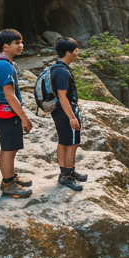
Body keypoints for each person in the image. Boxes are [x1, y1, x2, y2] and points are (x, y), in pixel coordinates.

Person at [0, 29, 34, 199]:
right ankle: (8, 184)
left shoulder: (3, 63)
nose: (21, 46)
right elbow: (9, 95)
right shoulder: (4, 65)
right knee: (9, 149)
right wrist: (24, 118)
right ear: (5, 46)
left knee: (10, 148)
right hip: (7, 114)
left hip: (5, 114)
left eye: (21, 42)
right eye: (17, 43)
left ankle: (10, 178)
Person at [50, 37, 86, 191]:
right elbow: (62, 95)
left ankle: (68, 170)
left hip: (59, 111)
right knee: (72, 143)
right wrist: (72, 117)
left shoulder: (57, 67)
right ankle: (66, 177)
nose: (77, 53)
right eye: (75, 51)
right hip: (65, 111)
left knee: (64, 142)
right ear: (67, 52)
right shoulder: (62, 71)